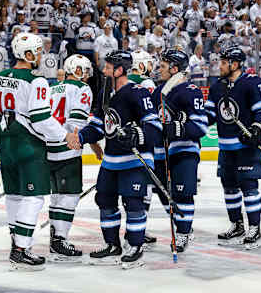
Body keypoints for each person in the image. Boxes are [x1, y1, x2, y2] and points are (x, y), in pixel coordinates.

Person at [0, 32, 77, 271]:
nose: (39, 55)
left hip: (6, 143)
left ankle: (16, 243)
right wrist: (64, 135)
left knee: (14, 195)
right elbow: (41, 118)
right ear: (27, 54)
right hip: (28, 145)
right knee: (33, 197)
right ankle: (21, 249)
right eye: (37, 51)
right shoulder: (37, 80)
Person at [67, 50, 161, 269]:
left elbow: (154, 127)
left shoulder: (139, 93)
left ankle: (135, 247)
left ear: (119, 70)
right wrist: (80, 137)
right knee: (105, 200)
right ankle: (112, 245)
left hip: (135, 160)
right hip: (111, 160)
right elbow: (100, 125)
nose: (104, 70)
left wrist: (137, 135)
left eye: (108, 67)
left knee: (134, 202)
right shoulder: (104, 93)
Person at [205, 46, 261, 249]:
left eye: (224, 62)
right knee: (229, 187)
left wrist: (256, 129)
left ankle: (254, 227)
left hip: (247, 146)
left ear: (234, 64)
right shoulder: (217, 87)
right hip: (226, 147)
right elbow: (209, 115)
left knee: (249, 187)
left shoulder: (251, 83)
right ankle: (236, 224)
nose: (220, 66)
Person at [151, 49, 207, 252]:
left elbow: (200, 127)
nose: (160, 69)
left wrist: (177, 129)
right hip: (161, 153)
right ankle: (183, 225)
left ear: (175, 69)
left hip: (185, 150)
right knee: (162, 191)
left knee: (182, 194)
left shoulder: (191, 91)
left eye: (164, 66)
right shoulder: (159, 92)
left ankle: (183, 232)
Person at [46, 54, 93, 262]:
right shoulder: (82, 89)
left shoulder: (52, 88)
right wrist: (79, 140)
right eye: (84, 70)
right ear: (77, 70)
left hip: (48, 147)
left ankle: (55, 237)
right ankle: (60, 239)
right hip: (68, 147)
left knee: (57, 194)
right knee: (70, 195)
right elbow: (77, 121)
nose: (87, 74)